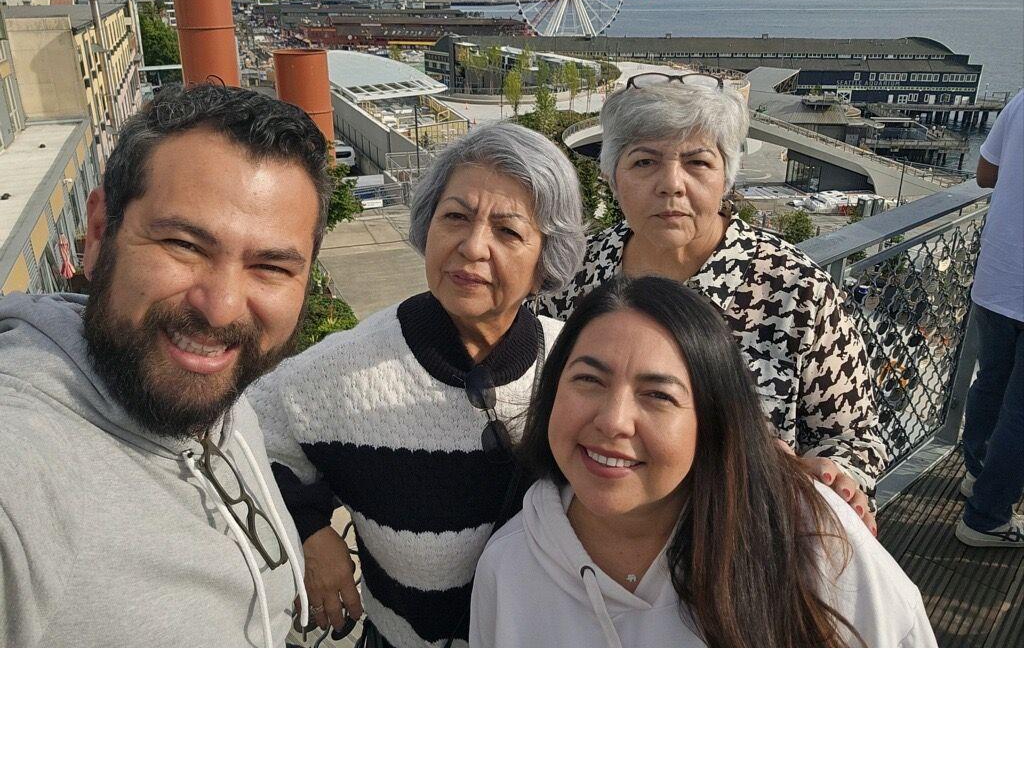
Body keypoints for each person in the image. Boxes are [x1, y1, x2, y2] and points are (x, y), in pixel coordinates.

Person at [0, 85, 329, 647]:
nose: (221, 307)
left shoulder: (216, 393)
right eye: (184, 244)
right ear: (99, 232)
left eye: (272, 267)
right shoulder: (23, 472)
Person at [252, 123, 586, 646]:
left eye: (507, 231)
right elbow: (244, 435)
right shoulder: (347, 370)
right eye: (455, 217)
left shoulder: (580, 367)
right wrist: (309, 530)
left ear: (547, 260)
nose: (473, 246)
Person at [470, 276, 936, 647]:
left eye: (658, 395)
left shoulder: (807, 537)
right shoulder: (510, 569)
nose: (613, 421)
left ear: (712, 420)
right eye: (589, 380)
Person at [538, 73, 887, 528]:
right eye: (644, 162)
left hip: (740, 536)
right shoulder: (575, 278)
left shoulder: (795, 290)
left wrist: (835, 476)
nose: (671, 184)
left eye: (697, 162)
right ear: (612, 177)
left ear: (726, 177)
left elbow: (854, 437)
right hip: (596, 533)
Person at [956, 89, 1024, 548]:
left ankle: (979, 475)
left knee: (992, 382)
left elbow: (984, 174)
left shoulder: (1020, 100)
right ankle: (987, 517)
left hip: (999, 273)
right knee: (1020, 414)